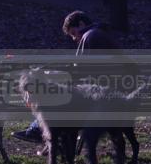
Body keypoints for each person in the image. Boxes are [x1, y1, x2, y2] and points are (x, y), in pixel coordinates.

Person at [12, 10, 118, 142]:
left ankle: (38, 131)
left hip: (101, 89)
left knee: (54, 95)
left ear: (81, 24)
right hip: (106, 86)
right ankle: (44, 134)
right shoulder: (97, 34)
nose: (74, 38)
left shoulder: (91, 36)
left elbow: (85, 71)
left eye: (73, 33)